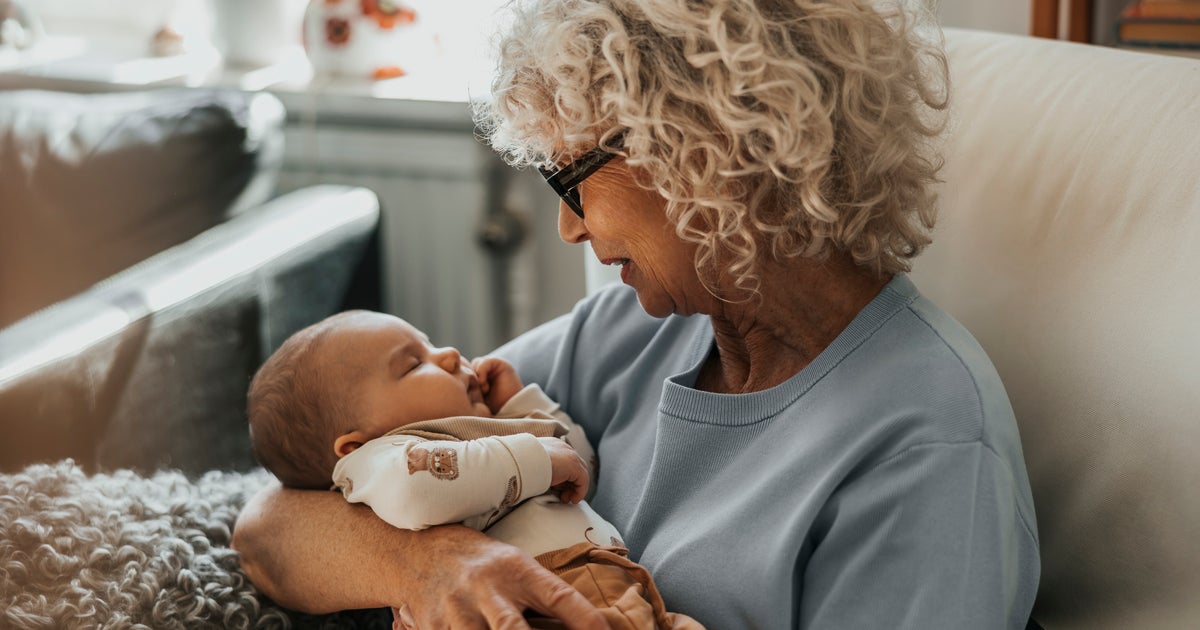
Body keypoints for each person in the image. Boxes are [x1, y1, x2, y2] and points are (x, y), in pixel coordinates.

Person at [233, 0, 1041, 627]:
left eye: (570, 180)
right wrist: (430, 568)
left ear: (708, 142)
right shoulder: (628, 330)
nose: (570, 225)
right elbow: (272, 523)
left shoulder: (926, 443)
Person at [245, 310, 702, 630]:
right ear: (354, 443)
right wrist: (535, 457)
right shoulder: (383, 458)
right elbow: (421, 492)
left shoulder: (482, 436)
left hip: (609, 582)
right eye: (412, 364)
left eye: (430, 343)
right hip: (531, 602)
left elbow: (578, 474)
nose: (447, 355)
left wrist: (519, 408)